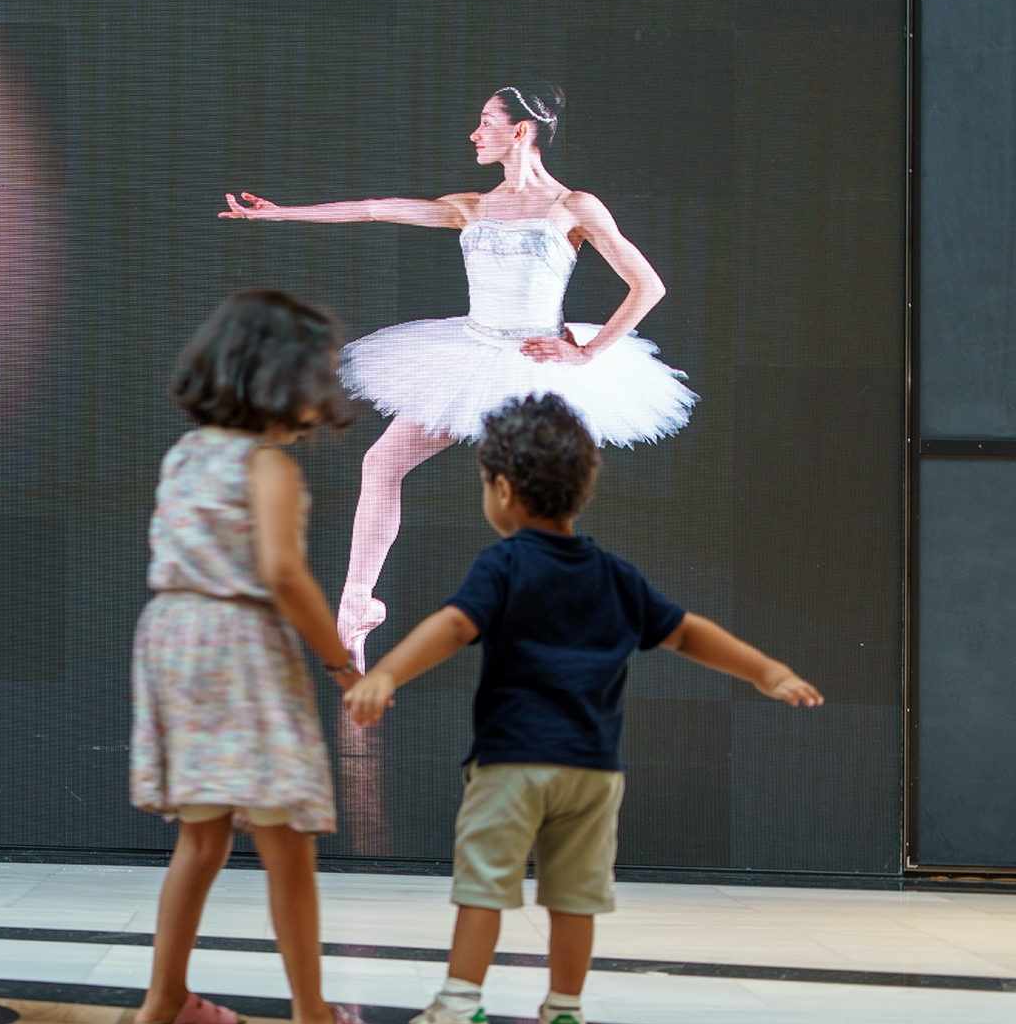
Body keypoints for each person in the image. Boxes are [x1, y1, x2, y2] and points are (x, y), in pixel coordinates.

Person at [343, 394, 822, 1024]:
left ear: (503, 491)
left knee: (484, 885)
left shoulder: (503, 565)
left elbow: (455, 625)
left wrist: (387, 673)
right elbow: (687, 633)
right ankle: (565, 1019)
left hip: (512, 763)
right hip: (593, 771)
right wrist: (764, 669)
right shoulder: (615, 574)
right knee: (575, 899)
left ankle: (458, 1006)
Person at [220, 85, 695, 668]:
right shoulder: (471, 204)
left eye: (486, 122)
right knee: (381, 462)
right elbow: (376, 207)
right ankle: (355, 608)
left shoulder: (574, 206)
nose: (474, 134)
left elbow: (648, 286)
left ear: (521, 132)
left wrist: (589, 352)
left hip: (535, 367)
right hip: (469, 356)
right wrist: (281, 213)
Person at [129, 289, 371, 1024]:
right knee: (285, 838)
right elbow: (282, 572)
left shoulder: (186, 452)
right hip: (240, 642)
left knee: (199, 838)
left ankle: (164, 997)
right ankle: (311, 1015)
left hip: (171, 632)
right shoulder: (268, 465)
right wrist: (338, 660)